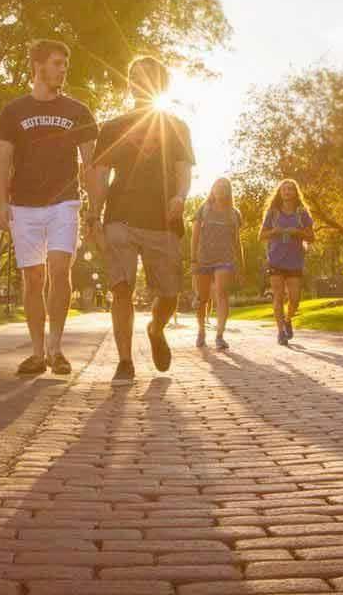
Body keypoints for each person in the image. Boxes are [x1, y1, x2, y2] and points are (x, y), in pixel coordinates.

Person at [0, 40, 97, 377]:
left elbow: (91, 162)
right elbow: (2, 160)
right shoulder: (13, 111)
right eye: (56, 63)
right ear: (38, 66)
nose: (63, 69)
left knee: (59, 269)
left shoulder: (78, 111)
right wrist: (0, 203)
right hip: (24, 205)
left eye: (65, 63)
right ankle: (37, 353)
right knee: (33, 277)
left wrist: (95, 209)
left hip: (64, 202)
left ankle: (56, 347)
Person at [91, 56, 194, 383]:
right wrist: (93, 215)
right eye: (134, 75)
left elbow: (183, 172)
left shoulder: (177, 126)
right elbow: (101, 173)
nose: (140, 80)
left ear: (161, 84)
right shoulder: (113, 126)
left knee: (169, 293)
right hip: (119, 215)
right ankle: (124, 361)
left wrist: (180, 197)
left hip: (162, 219)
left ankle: (155, 328)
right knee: (121, 288)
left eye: (148, 76)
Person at [190, 177, 242, 350]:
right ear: (212, 190)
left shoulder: (234, 214)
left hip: (225, 259)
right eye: (217, 187)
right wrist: (193, 260)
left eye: (224, 187)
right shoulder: (203, 210)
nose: (220, 190)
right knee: (202, 298)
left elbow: (237, 241)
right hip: (203, 258)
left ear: (228, 192)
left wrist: (241, 264)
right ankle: (201, 331)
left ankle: (220, 335)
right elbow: (195, 237)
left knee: (221, 293)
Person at [261, 178, 315, 345]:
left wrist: (298, 232)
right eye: (284, 189)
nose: (287, 192)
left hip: (295, 261)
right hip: (275, 259)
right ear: (280, 192)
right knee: (278, 296)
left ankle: (288, 319)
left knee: (295, 298)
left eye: (291, 189)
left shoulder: (302, 213)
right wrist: (274, 231)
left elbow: (312, 237)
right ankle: (280, 332)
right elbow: (261, 236)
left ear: (295, 192)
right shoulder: (273, 212)